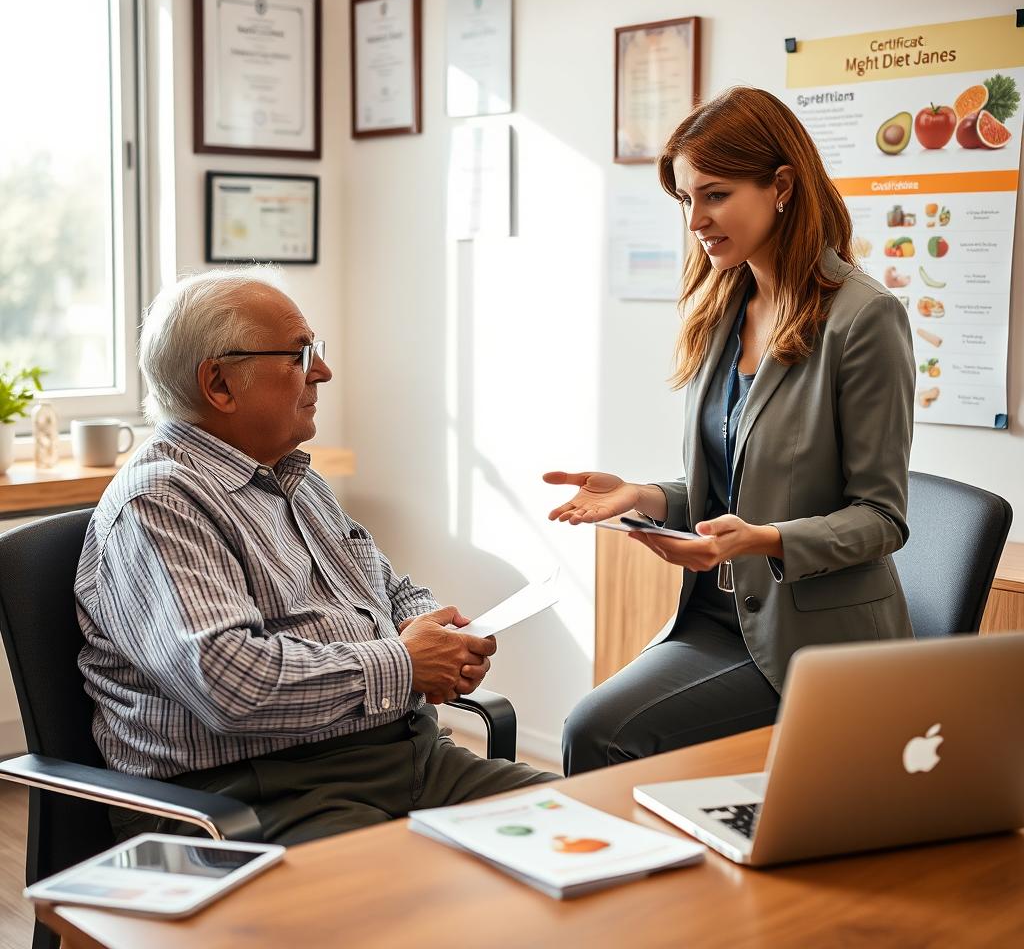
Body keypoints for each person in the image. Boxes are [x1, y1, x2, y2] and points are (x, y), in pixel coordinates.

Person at [76, 268, 556, 846]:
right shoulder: (159, 502)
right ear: (220, 385)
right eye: (300, 355)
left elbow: (386, 586)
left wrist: (437, 634)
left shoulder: (294, 477)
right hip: (252, 793)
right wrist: (405, 664)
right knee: (419, 909)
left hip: (408, 760)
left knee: (592, 830)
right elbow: (230, 685)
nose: (322, 372)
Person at [546, 87, 915, 776]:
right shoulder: (725, 307)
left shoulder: (865, 319)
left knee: (604, 734)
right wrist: (642, 497)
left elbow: (883, 518)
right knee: (592, 727)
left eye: (713, 195)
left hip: (814, 640)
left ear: (780, 186)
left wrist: (766, 540)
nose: (695, 220)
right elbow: (736, 490)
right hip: (720, 619)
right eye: (686, 200)